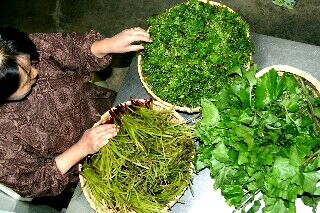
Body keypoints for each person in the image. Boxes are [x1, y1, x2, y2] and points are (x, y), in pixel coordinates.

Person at [0, 26, 152, 198]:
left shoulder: (18, 50)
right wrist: (82, 148)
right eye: (26, 78)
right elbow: (34, 183)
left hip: (100, 105)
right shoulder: (3, 146)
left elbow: (72, 48)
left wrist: (108, 44)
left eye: (31, 64)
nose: (36, 72)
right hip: (89, 159)